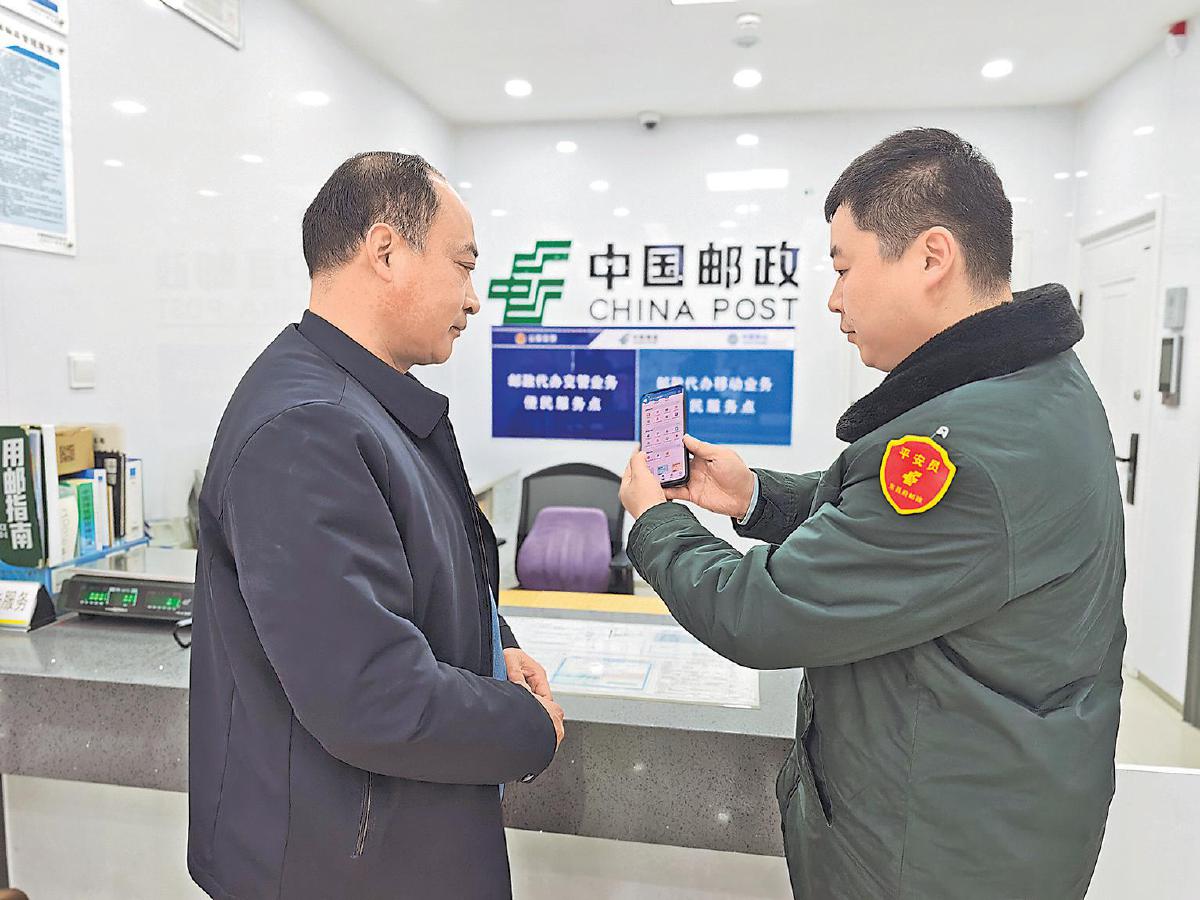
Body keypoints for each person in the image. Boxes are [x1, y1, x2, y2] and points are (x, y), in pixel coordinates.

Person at [619, 128, 1125, 900]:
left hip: (931, 858)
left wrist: (656, 521)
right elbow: (886, 526)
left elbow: (760, 613)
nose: (833, 299)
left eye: (843, 267)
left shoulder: (967, 450)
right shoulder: (1034, 388)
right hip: (988, 819)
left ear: (931, 257)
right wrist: (754, 496)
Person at [188, 152, 564, 900]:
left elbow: (420, 572)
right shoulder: (309, 427)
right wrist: (528, 726)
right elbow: (371, 696)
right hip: (336, 867)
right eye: (464, 266)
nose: (474, 299)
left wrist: (496, 648)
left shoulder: (365, 405)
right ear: (386, 251)